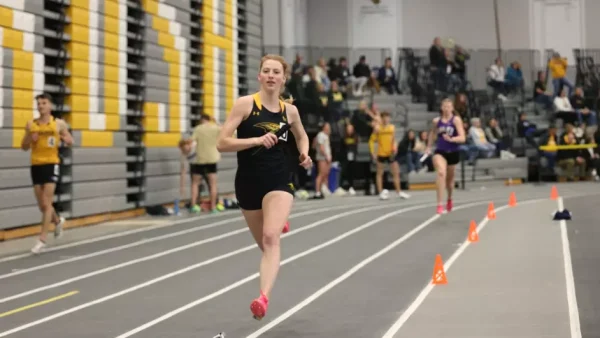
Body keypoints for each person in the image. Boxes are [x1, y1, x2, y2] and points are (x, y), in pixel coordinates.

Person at [216, 54, 312, 320]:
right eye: (266, 71)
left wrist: (304, 153)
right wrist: (256, 141)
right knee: (265, 245)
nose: (271, 75)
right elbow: (222, 143)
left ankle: (262, 298)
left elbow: (302, 136)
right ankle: (278, 221)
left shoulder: (290, 111)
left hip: (279, 178)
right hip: (248, 182)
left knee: (271, 238)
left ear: (283, 78)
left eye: (276, 72)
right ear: (259, 76)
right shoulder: (245, 105)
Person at [21, 93, 74, 253]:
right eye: (38, 103)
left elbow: (70, 141)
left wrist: (64, 138)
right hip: (36, 165)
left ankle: (42, 239)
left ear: (50, 106)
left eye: (44, 103)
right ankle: (57, 221)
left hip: (51, 164)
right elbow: (24, 146)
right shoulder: (31, 124)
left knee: (46, 201)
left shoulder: (58, 123)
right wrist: (31, 137)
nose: (41, 106)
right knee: (42, 205)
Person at [426, 98, 466, 214]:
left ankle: (449, 198)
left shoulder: (456, 120)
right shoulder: (436, 121)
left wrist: (452, 139)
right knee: (441, 173)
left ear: (452, 108)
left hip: (453, 152)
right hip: (440, 152)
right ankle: (439, 204)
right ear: (441, 108)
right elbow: (432, 133)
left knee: (450, 182)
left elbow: (462, 138)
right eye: (444, 106)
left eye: (449, 106)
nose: (447, 109)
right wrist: (429, 147)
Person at [368, 111, 410, 200]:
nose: (386, 119)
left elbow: (393, 139)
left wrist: (395, 147)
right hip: (381, 153)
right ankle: (380, 192)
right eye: (385, 117)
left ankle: (399, 192)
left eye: (388, 117)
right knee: (380, 173)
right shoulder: (378, 129)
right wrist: (373, 152)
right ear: (382, 118)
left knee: (396, 172)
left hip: (390, 153)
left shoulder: (392, 128)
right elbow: (371, 141)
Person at [190, 114, 222, 213]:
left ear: (201, 120)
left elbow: (192, 142)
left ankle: (194, 206)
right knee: (213, 184)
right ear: (209, 119)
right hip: (212, 159)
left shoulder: (198, 129)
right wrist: (216, 121)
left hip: (199, 159)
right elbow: (226, 131)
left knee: (195, 183)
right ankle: (213, 207)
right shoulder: (216, 128)